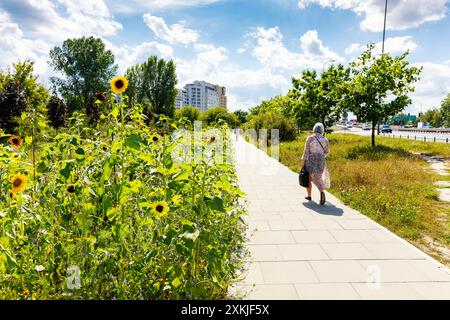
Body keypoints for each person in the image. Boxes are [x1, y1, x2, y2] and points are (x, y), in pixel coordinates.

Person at [301, 123, 330, 205]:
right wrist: (320, 156)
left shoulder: (310, 138)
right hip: (321, 160)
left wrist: (303, 162)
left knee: (309, 178)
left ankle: (309, 196)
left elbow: (306, 151)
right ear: (322, 130)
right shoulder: (325, 139)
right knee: (319, 177)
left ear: (314, 129)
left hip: (310, 160)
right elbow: (327, 152)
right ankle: (321, 192)